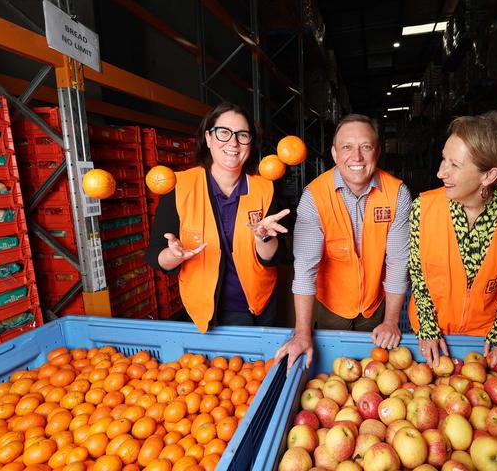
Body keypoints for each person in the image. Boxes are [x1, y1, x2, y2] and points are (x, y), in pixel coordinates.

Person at [275, 114, 411, 372]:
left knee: (373, 371)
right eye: (347, 147)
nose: (356, 157)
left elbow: (398, 263)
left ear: (377, 152)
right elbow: (304, 269)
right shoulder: (314, 197)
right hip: (332, 304)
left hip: (376, 304)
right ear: (335, 154)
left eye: (366, 147)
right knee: (333, 370)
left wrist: (392, 321)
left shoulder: (397, 194)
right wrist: (302, 332)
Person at [408, 111, 497, 373]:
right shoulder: (423, 208)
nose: (440, 172)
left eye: (454, 165)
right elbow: (419, 275)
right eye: (443, 159)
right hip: (430, 336)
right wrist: (427, 327)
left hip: (483, 343)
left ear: (488, 176)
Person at [145, 102, 289, 333]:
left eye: (242, 135)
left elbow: (275, 257)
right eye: (223, 133)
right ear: (208, 138)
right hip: (207, 311)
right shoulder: (179, 186)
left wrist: (263, 238)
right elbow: (154, 254)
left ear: (250, 143)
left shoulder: (265, 188)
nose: (233, 143)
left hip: (261, 305)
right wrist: (173, 256)